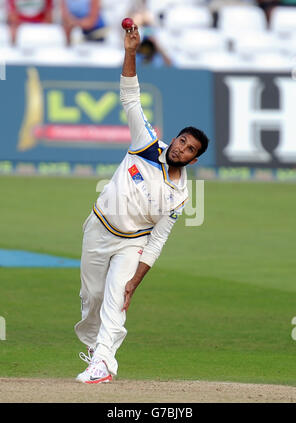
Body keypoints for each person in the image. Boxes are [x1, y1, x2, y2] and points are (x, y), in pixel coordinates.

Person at [74, 23, 210, 384]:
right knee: (92, 299)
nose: (181, 149)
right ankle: (93, 347)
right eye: (181, 141)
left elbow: (159, 240)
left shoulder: (182, 194)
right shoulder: (146, 143)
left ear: (194, 160)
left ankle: (103, 362)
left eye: (190, 150)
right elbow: (130, 97)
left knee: (116, 299)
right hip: (98, 228)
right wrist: (131, 51)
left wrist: (136, 280)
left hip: (132, 243)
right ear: (174, 139)